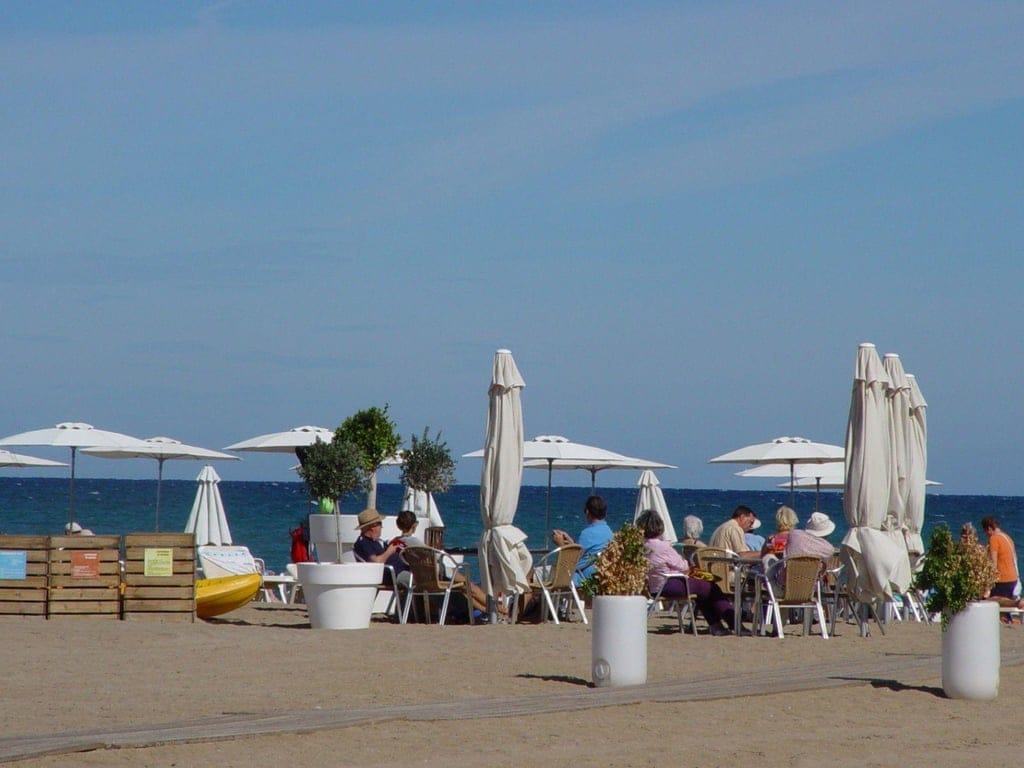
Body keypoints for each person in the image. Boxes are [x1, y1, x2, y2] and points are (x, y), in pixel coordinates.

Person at [636, 510, 740, 636]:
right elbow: (683, 566)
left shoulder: (641, 546)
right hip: (669, 584)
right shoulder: (662, 547)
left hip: (653, 587)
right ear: (659, 527)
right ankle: (733, 623)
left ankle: (717, 625)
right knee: (710, 587)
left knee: (703, 590)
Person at [552, 495, 612, 585]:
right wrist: (572, 543)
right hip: (598, 576)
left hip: (580, 578)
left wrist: (561, 544)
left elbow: (571, 564)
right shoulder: (609, 533)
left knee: (537, 572)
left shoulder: (587, 534)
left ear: (587, 512)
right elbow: (587, 553)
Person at [352, 509, 407, 584]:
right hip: (393, 575)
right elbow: (376, 562)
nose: (381, 527)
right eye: (380, 524)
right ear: (373, 527)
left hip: (401, 571)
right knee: (422, 580)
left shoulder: (376, 541)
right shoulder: (363, 543)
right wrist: (389, 551)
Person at [980, 516, 1022, 604]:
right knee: (1006, 609)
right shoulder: (1007, 537)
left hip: (1002, 580)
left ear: (989, 528)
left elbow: (993, 563)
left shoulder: (994, 539)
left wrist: (987, 586)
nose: (986, 535)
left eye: (985, 532)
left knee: (995, 605)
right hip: (1013, 579)